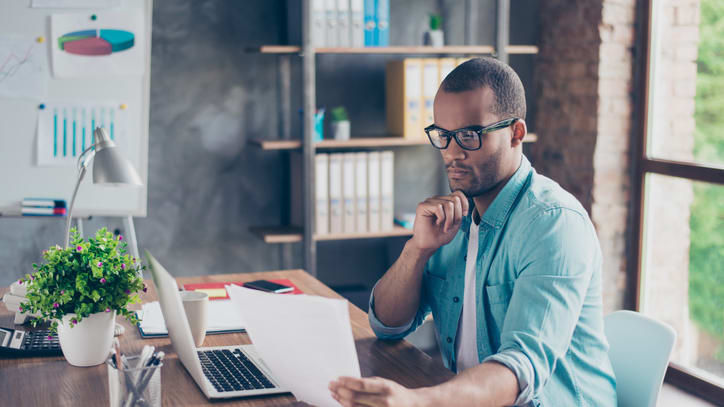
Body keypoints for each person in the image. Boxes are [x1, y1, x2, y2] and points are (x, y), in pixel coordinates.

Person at [329, 57, 617, 406]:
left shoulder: (553, 224)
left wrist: (419, 403)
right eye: (443, 135)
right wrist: (417, 250)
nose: (451, 152)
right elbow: (388, 326)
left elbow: (520, 369)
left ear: (516, 133)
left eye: (469, 135)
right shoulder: (455, 217)